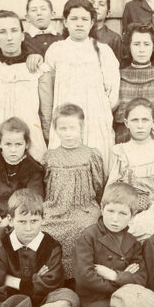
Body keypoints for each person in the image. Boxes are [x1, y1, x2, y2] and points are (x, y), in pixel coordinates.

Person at [73, 182, 154, 307]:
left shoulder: (132, 243)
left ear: (133, 215)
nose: (115, 219)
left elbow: (141, 277)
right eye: (111, 211)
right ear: (102, 208)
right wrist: (124, 280)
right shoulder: (89, 236)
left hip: (127, 298)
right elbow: (85, 276)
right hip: (98, 302)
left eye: (122, 214)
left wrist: (115, 276)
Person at [40, 0, 121, 167]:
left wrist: (100, 113)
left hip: (95, 117)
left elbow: (113, 92)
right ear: (65, 22)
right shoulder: (56, 50)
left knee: (97, 162)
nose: (79, 24)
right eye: (74, 19)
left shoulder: (103, 51)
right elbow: (49, 87)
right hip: (64, 118)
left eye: (84, 19)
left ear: (92, 23)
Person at [0, 117, 45, 278]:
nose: (13, 150)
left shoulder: (33, 169)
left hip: (21, 217)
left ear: (26, 144)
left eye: (18, 144)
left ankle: (13, 281)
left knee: (9, 236)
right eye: (8, 144)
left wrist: (10, 219)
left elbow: (34, 199)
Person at [41, 104, 106, 281]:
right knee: (43, 227)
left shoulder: (91, 154)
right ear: (56, 130)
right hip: (56, 208)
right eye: (63, 128)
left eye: (72, 128)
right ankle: (53, 278)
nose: (68, 133)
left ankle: (79, 278)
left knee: (84, 227)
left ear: (81, 128)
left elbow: (99, 185)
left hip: (83, 208)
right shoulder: (50, 156)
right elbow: (45, 185)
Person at [0, 10, 51, 163]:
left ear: (22, 35)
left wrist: (47, 138)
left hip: (30, 137)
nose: (9, 37)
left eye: (14, 31)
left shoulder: (39, 69)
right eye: (2, 32)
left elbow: (46, 111)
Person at [108, 98, 154, 241]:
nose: (140, 125)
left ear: (153, 122)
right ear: (126, 123)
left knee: (150, 225)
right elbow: (111, 187)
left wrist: (150, 199)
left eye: (145, 120)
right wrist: (130, 201)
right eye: (135, 120)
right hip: (126, 206)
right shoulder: (119, 151)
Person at [113, 23, 154, 142]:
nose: (141, 49)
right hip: (124, 138)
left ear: (153, 47)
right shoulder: (118, 76)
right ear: (129, 47)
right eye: (136, 44)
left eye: (146, 44)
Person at [85, 0, 125, 65]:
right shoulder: (75, 34)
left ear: (108, 13)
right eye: (91, 3)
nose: (96, 7)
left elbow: (117, 66)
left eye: (101, 4)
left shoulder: (114, 38)